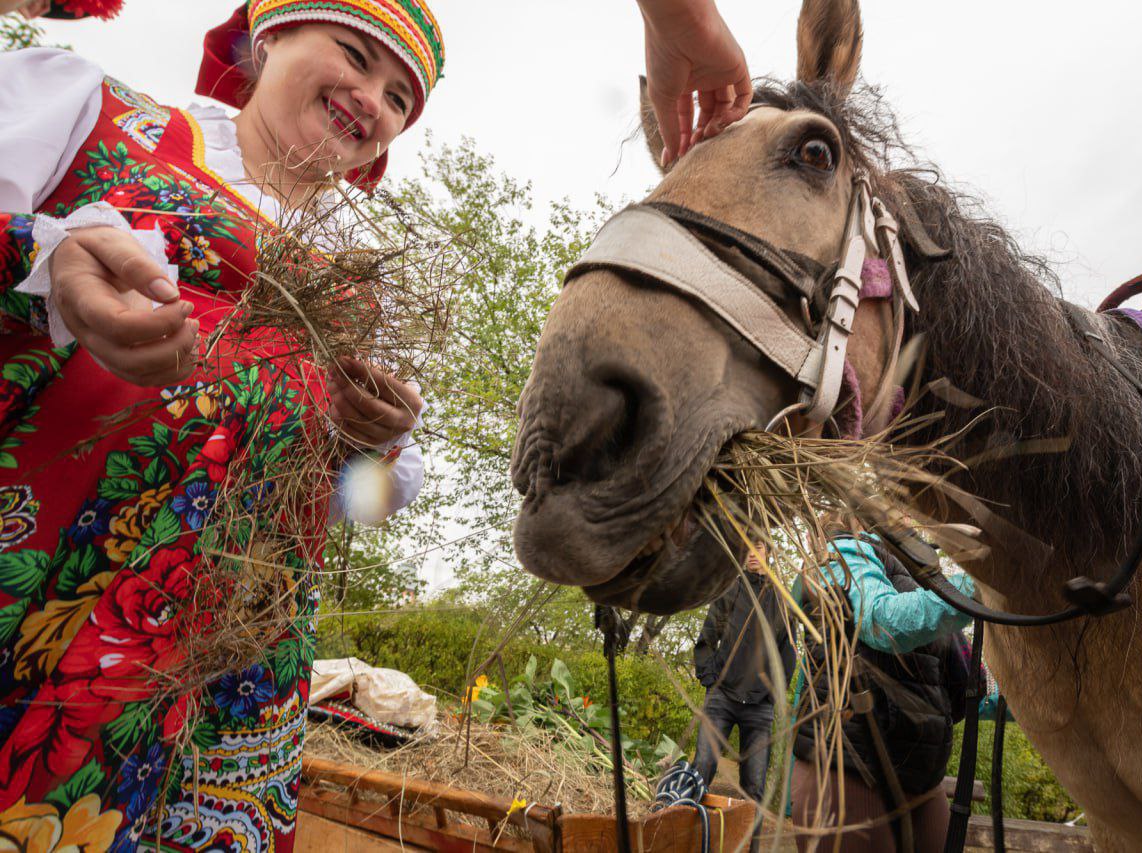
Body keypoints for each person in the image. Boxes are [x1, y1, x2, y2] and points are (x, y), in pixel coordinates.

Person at [0, 2, 754, 849]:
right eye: (355, 57)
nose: (373, 99)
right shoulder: (95, 117)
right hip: (46, 583)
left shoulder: (364, 280)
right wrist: (51, 264)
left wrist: (375, 443)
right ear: (270, 37)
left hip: (231, 663)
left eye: (400, 97)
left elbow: (361, 500)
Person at [789, 517, 983, 853]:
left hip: (922, 773)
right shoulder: (844, 552)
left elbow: (955, 678)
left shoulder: (920, 572)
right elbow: (883, 622)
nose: (910, 512)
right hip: (850, 768)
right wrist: (979, 585)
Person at [692, 541, 796, 808]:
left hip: (759, 707)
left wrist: (772, 694)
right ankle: (690, 827)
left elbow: (788, 653)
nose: (751, 553)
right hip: (721, 699)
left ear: (768, 552)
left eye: (757, 546)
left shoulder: (781, 600)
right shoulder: (729, 590)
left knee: (755, 788)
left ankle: (751, 835)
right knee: (701, 770)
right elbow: (707, 638)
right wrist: (710, 679)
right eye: (746, 547)